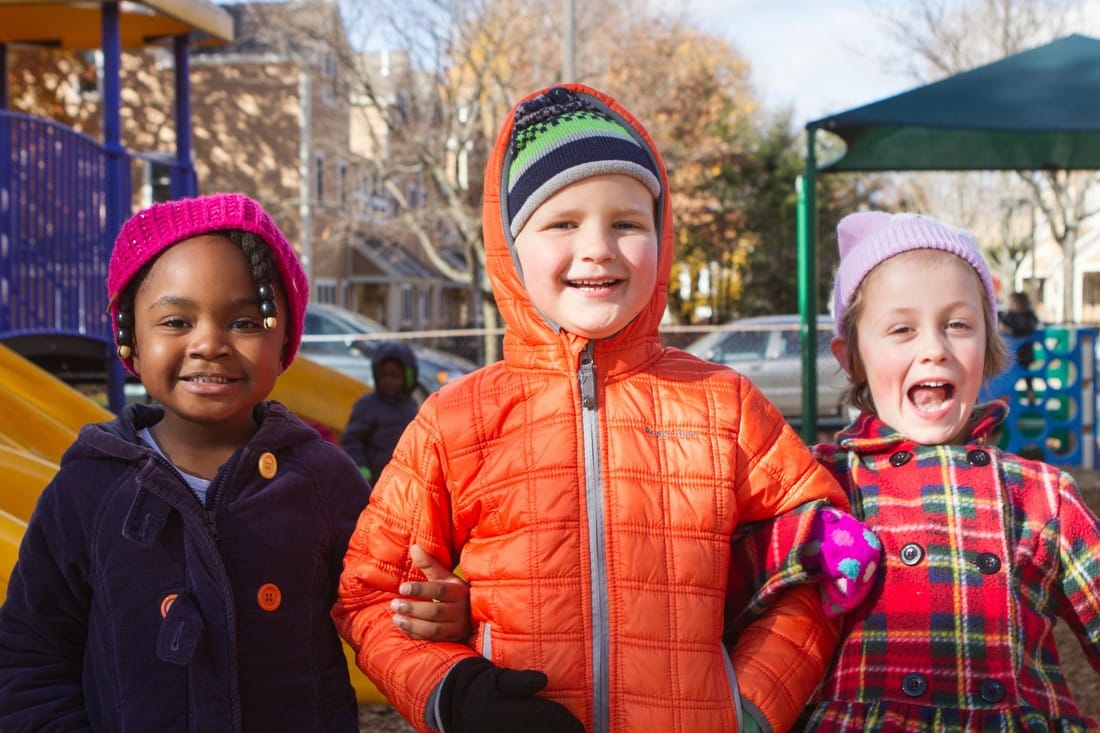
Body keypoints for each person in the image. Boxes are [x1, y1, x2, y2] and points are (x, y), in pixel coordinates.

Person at [334, 83, 880, 733]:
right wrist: (455, 690)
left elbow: (835, 553)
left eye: (626, 222)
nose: (598, 246)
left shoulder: (725, 406)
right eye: (562, 222)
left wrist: (753, 704)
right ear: (511, 245)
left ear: (660, 233)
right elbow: (369, 595)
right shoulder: (456, 421)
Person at [0, 193, 453, 731]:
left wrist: (435, 615)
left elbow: (380, 605)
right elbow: (31, 657)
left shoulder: (322, 481)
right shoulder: (87, 490)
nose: (209, 343)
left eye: (244, 321)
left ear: (285, 338)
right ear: (129, 340)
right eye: (174, 321)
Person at [803, 211, 1100, 729]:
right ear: (851, 358)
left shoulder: (1042, 498)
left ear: (988, 347)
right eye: (902, 329)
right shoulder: (820, 485)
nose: (934, 349)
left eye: (958, 325)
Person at [341, 340, 420, 488]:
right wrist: (361, 469)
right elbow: (352, 440)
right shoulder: (367, 406)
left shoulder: (411, 406)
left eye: (395, 376)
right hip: (375, 480)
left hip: (405, 480)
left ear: (408, 377)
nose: (388, 380)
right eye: (384, 376)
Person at [999, 290, 1041, 402]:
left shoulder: (1028, 316)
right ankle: (1007, 399)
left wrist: (1011, 330)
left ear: (1022, 303)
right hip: (1011, 353)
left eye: (1014, 302)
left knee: (1027, 376)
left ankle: (1030, 396)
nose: (1012, 305)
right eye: (1011, 302)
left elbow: (1026, 328)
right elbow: (1002, 323)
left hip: (1025, 353)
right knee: (1009, 376)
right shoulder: (1009, 315)